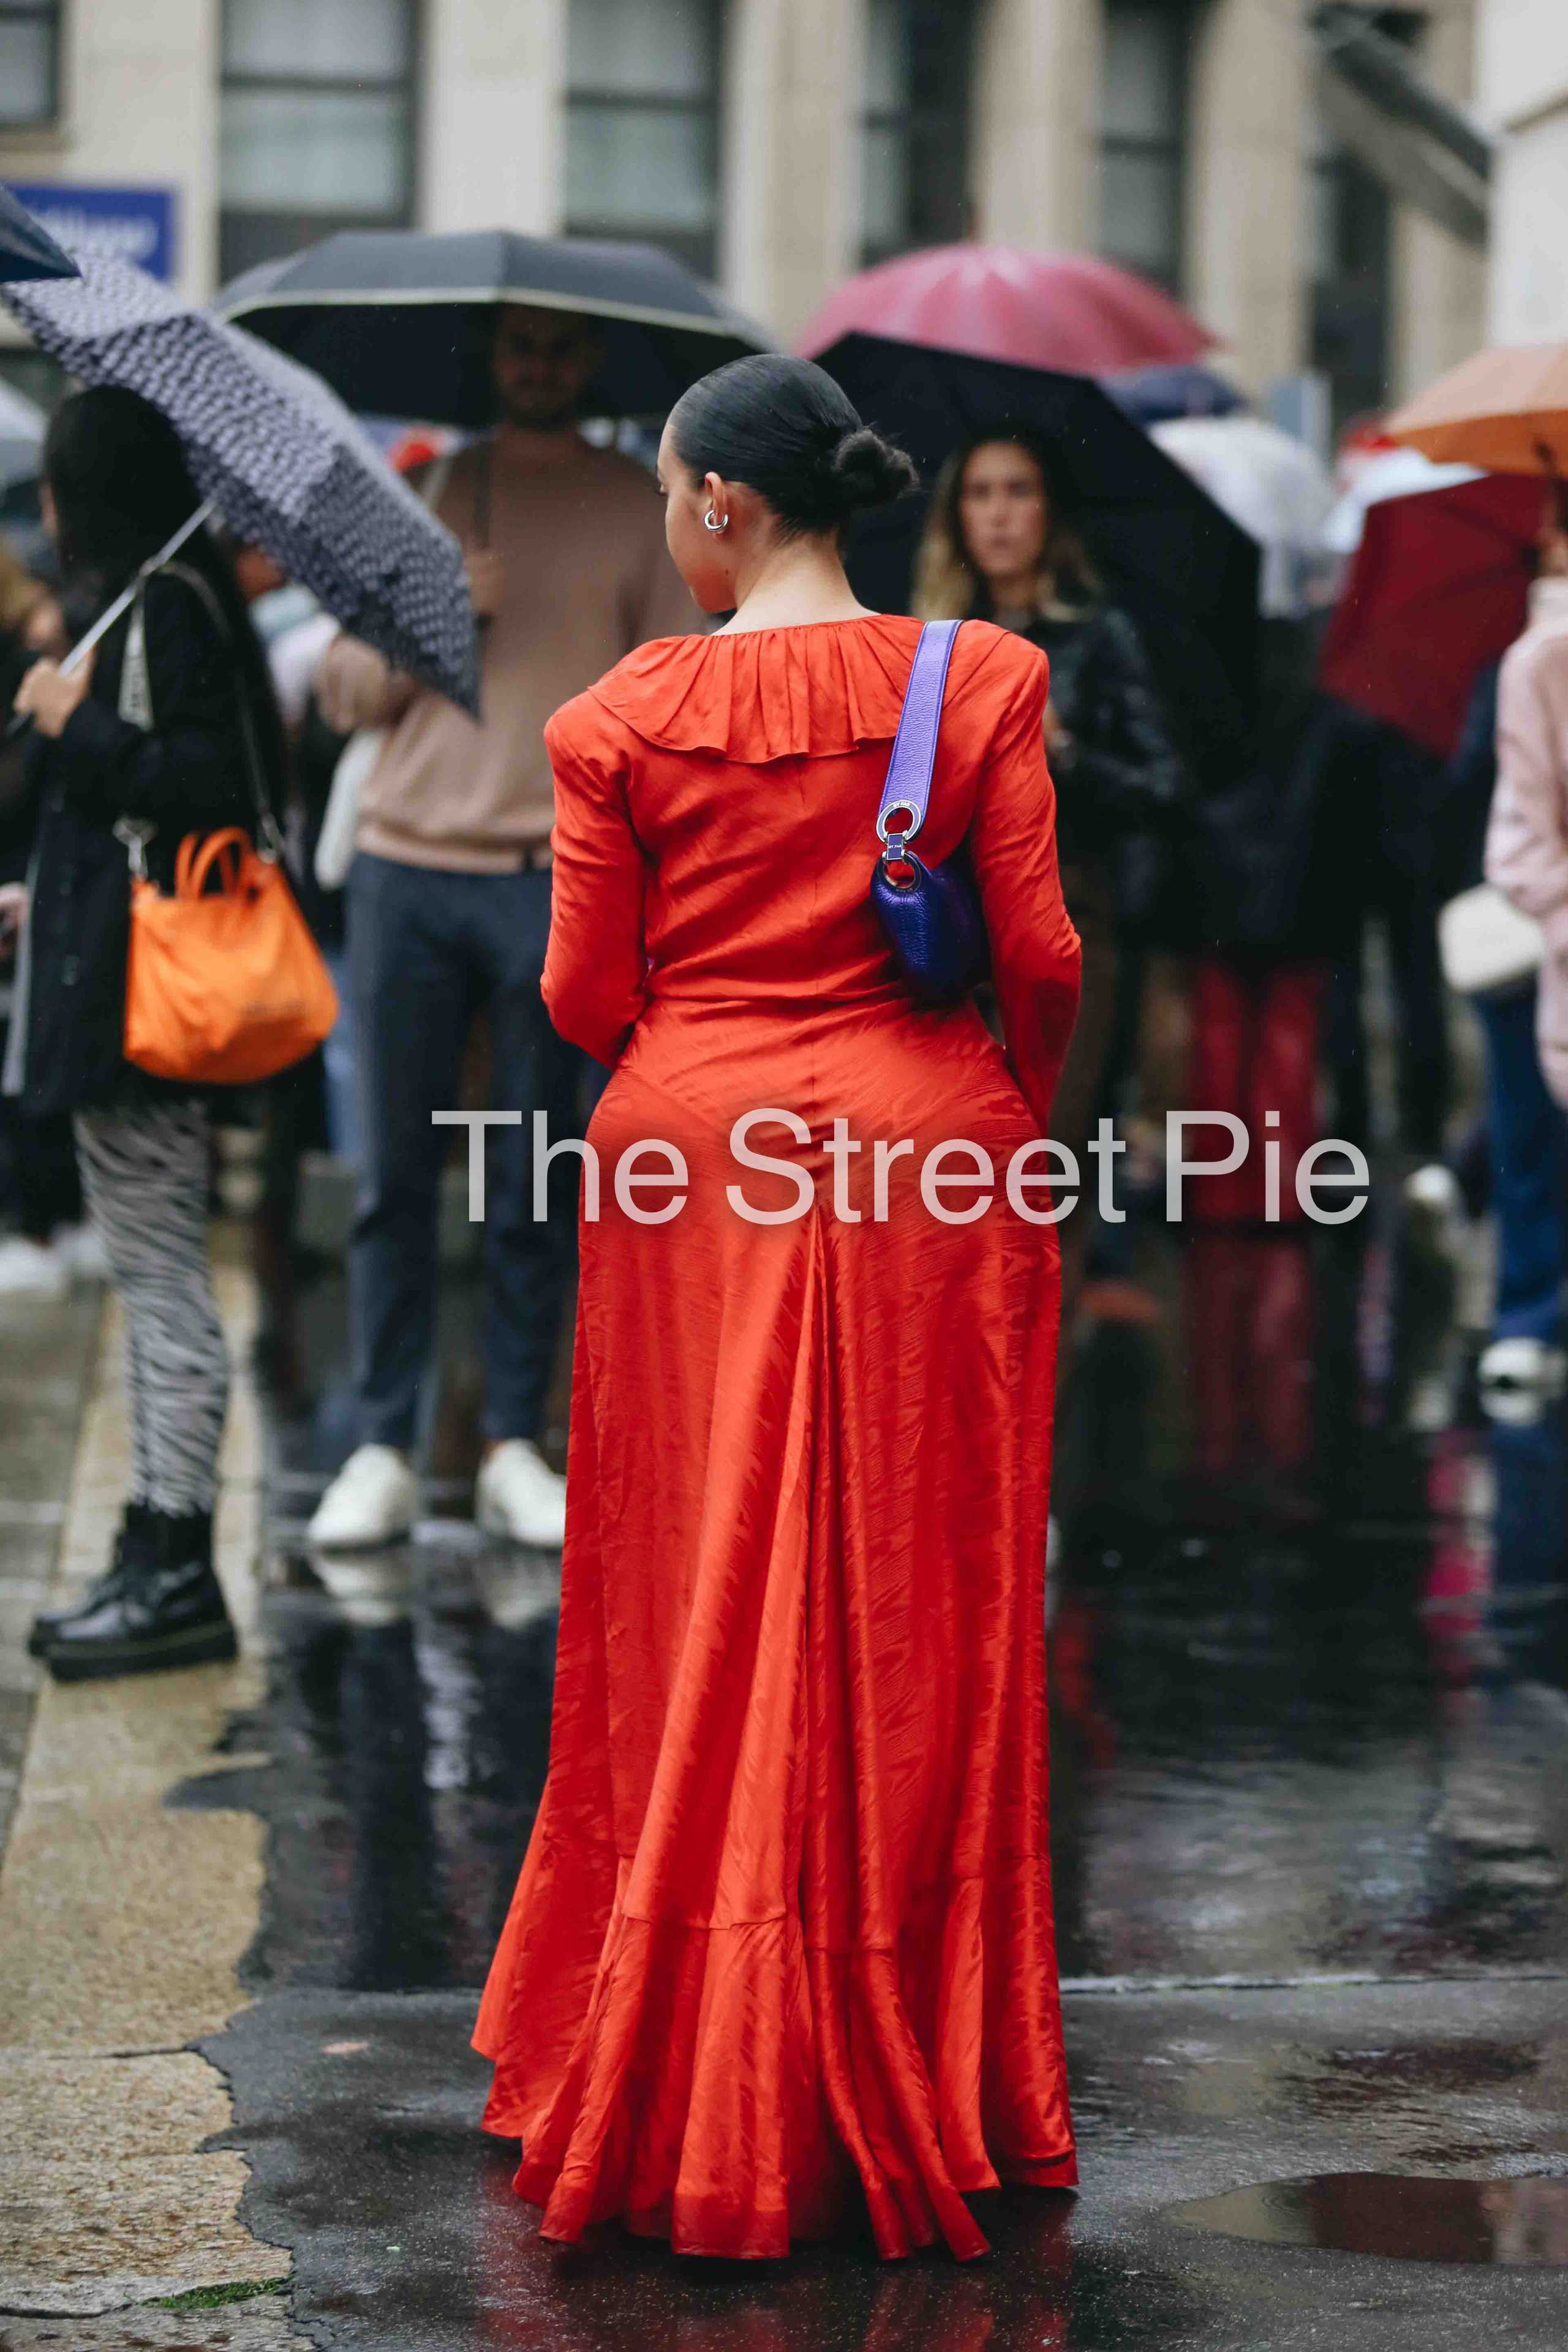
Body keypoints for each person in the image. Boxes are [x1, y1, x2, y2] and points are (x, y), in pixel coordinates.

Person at [473, 356, 1082, 2259]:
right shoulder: (975, 679)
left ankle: (681, 2050)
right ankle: (928, 2056)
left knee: (685, 1602)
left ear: (723, 508)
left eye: (667, 494)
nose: (668, 522)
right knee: (916, 1619)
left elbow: (586, 999)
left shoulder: (613, 720)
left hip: (691, 1174)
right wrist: (985, 1106)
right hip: (933, 1167)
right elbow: (1043, 951)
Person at [307, 305, 694, 1552]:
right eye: (520, 349)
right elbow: (338, 695)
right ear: (495, 362)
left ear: (589, 365)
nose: (538, 368)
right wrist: (429, 617)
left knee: (535, 1171)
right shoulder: (425, 493)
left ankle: (514, 1443)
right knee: (393, 1176)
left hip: (551, 874)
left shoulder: (639, 506)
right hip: (403, 869)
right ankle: (379, 1439)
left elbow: (670, 698)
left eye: (559, 350)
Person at [7, 386, 288, 1680]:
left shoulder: (167, 608)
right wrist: (40, 894)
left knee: (164, 1283)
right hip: (112, 978)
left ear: (93, 490)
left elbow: (205, 792)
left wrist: (84, 727)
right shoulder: (153, 601)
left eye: (59, 486)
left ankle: (176, 1565)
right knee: (151, 1279)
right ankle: (147, 1545)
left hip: (145, 1005)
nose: (48, 514)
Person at [911, 426, 1183, 1324]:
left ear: (1048, 510)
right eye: (980, 493)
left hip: (1067, 911)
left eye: (1018, 491)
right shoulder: (930, 647)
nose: (999, 515)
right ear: (957, 515)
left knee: (1042, 1153)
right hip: (950, 927)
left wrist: (1065, 751)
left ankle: (1029, 1381)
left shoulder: (1098, 637)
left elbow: (1160, 785)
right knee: (950, 1155)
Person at [1482, 489, 1568, 1392]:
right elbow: (1518, 840)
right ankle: (1532, 1310)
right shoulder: (1543, 660)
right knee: (1532, 1134)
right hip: (1553, 943)